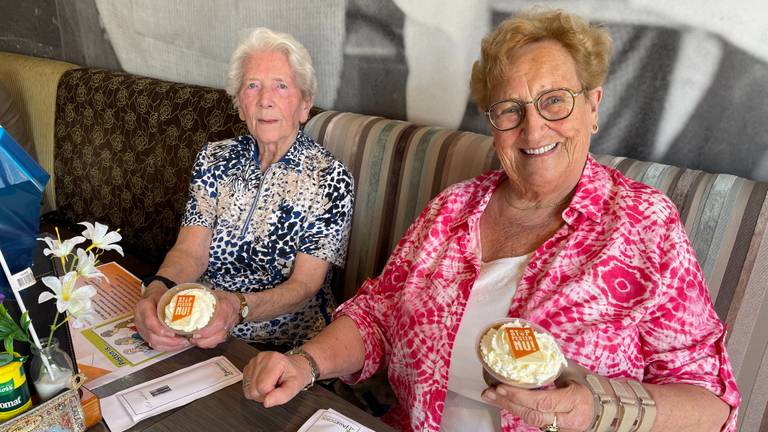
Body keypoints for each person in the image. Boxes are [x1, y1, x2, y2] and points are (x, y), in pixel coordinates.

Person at [242, 9, 740, 432]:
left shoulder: (642, 223)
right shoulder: (452, 209)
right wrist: (303, 363)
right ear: (492, 125)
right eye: (509, 109)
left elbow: (712, 403)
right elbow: (378, 316)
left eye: (554, 101)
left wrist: (595, 409)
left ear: (593, 105)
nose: (534, 127)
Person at [134, 27, 354, 353]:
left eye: (281, 86)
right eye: (253, 86)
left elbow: (305, 286)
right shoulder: (214, 158)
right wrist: (157, 289)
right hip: (200, 323)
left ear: (305, 105)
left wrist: (237, 308)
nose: (265, 100)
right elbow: (190, 252)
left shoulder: (330, 178)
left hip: (283, 343)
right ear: (239, 104)